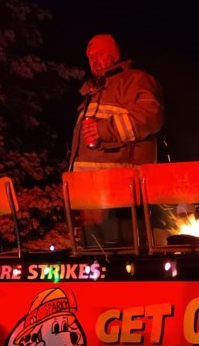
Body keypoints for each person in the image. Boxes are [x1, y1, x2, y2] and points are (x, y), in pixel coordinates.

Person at [68, 33, 165, 246]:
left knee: (124, 260)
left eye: (99, 54)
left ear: (114, 55)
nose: (93, 60)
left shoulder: (136, 80)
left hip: (123, 190)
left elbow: (151, 116)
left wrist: (104, 130)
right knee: (92, 263)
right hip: (89, 195)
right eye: (90, 56)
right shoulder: (93, 92)